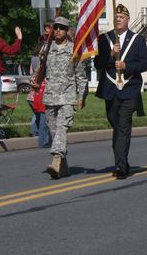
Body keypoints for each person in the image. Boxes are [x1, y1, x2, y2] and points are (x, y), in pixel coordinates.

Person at [94, 4, 147, 179]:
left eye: (121, 16)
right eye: (116, 16)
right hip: (110, 90)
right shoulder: (105, 39)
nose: (118, 19)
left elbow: (145, 64)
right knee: (116, 126)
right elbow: (98, 64)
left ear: (127, 19)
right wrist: (111, 55)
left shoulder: (137, 40)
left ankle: (120, 166)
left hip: (129, 89)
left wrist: (127, 66)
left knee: (124, 126)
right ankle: (122, 160)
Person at [32, 17, 87, 179]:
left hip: (67, 97)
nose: (57, 30)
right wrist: (35, 81)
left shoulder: (74, 50)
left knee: (62, 128)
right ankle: (63, 168)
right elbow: (40, 69)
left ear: (67, 30)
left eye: (61, 28)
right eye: (55, 27)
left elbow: (81, 76)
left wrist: (81, 95)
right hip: (50, 96)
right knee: (54, 132)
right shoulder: (46, 48)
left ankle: (56, 160)